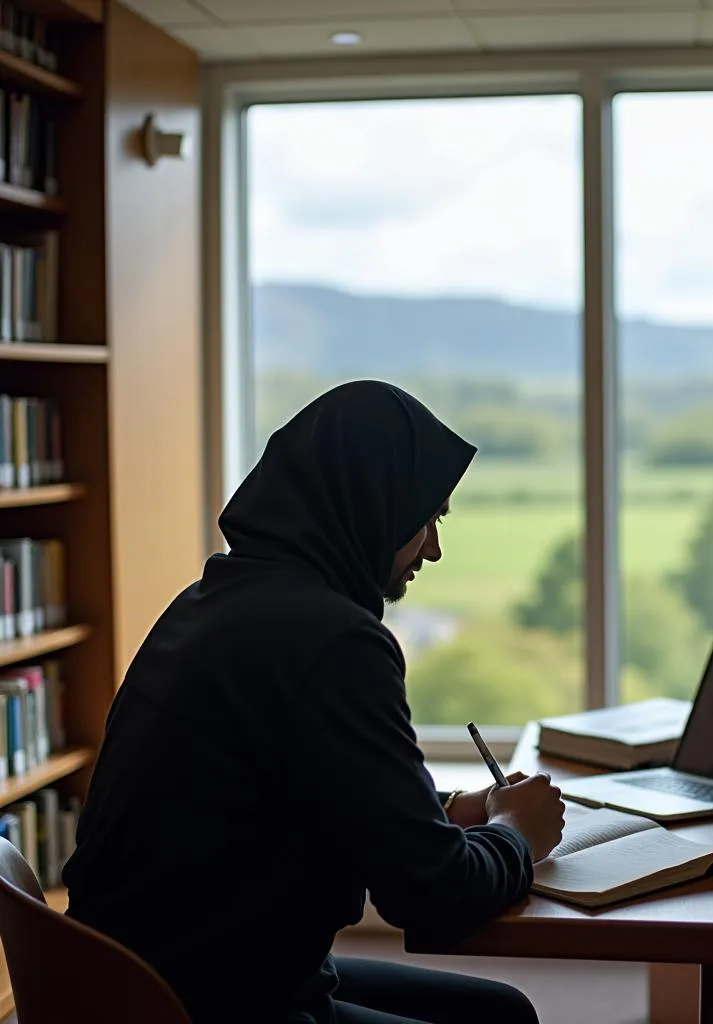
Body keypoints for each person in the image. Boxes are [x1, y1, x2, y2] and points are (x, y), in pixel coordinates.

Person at [62, 380, 566, 1024]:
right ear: (371, 504)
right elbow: (435, 899)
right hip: (209, 1003)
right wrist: (517, 835)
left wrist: (449, 810)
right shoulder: (334, 642)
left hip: (130, 977)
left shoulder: (213, 599)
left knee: (496, 1012)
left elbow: (315, 781)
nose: (433, 548)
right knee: (502, 1019)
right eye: (427, 516)